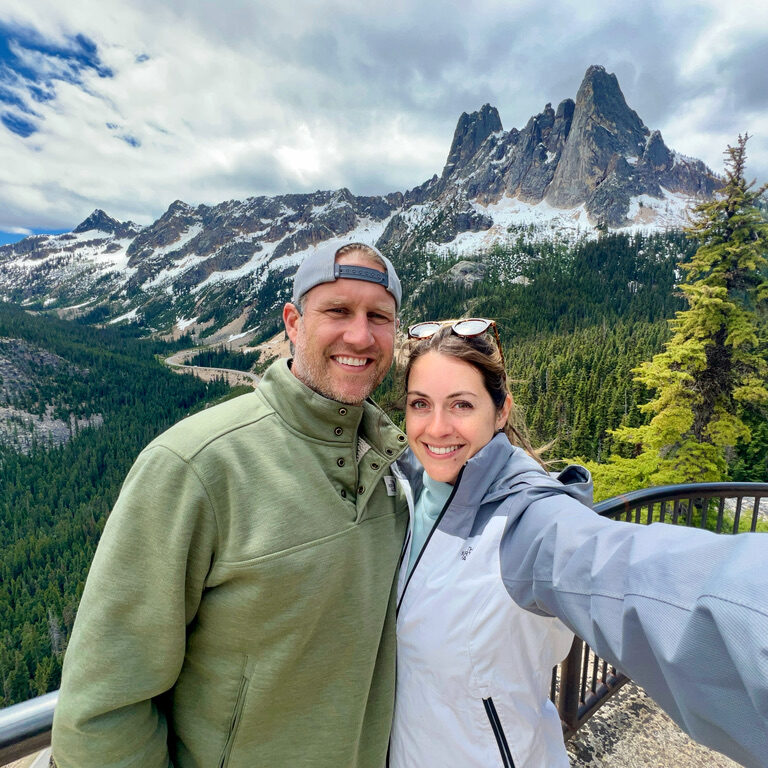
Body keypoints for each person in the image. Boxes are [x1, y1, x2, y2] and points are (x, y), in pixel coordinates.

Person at [52, 242, 410, 768]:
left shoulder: (395, 466)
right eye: (337, 311)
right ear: (293, 322)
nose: (360, 335)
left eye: (378, 317)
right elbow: (102, 710)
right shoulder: (193, 466)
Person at [390, 320, 768, 768]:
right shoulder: (404, 487)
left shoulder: (531, 522)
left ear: (501, 411)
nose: (436, 428)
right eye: (420, 404)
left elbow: (631, 575)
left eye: (461, 405)